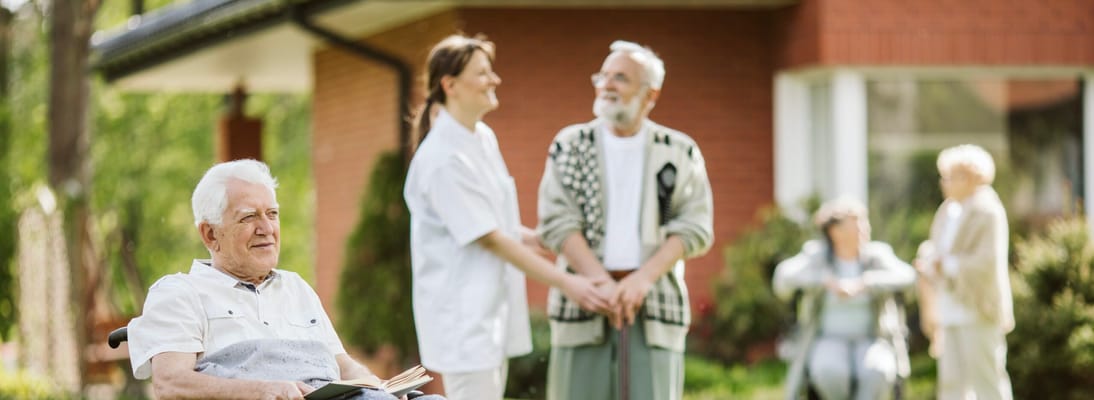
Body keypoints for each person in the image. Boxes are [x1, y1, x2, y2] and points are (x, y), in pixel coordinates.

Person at [126, 159, 441, 400]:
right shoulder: (180, 293)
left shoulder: (296, 288)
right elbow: (170, 383)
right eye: (249, 216)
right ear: (210, 234)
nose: (266, 228)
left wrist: (382, 389)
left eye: (272, 214)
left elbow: (343, 365)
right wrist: (261, 391)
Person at [403, 34, 609, 400]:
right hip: (464, 325)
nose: (494, 80)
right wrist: (567, 283)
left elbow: (496, 224)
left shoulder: (481, 137)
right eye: (483, 73)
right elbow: (490, 238)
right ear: (450, 85)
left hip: (490, 314)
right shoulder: (442, 160)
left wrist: (548, 237)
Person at [536, 39, 714, 400]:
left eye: (621, 77)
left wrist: (641, 280)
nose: (607, 84)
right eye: (603, 75)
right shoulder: (570, 144)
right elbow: (556, 220)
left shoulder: (679, 151)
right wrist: (601, 283)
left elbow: (695, 225)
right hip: (583, 300)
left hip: (654, 305)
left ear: (650, 94)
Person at [772, 197, 915, 400]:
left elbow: (908, 276)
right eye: (857, 223)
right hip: (828, 339)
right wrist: (823, 281)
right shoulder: (817, 256)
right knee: (830, 373)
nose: (865, 227)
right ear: (835, 232)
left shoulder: (876, 255)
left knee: (877, 372)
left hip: (871, 338)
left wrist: (868, 283)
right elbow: (782, 278)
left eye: (864, 221)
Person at [916, 144, 1014, 400]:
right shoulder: (947, 210)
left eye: (949, 177)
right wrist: (929, 261)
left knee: (986, 379)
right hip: (948, 307)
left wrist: (945, 264)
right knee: (951, 382)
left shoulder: (988, 211)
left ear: (970, 178)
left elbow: (987, 261)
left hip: (978, 307)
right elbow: (936, 247)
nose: (944, 183)